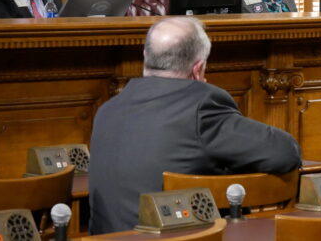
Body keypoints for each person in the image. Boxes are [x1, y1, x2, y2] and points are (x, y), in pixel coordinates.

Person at [88, 17, 301, 234]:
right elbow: (285, 152)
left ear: (145, 56)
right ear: (198, 69)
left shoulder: (107, 110)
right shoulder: (201, 106)